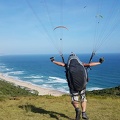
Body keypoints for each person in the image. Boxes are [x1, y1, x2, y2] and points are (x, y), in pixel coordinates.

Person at [50, 54, 104, 120]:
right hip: (82, 86)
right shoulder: (81, 64)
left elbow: (61, 64)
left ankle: (77, 109)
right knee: (83, 98)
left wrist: (53, 61)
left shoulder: (68, 65)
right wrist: (99, 62)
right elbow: (90, 64)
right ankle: (84, 113)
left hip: (73, 87)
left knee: (74, 99)